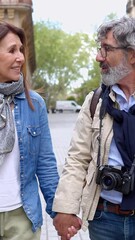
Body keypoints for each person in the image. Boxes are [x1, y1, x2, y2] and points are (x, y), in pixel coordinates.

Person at [52, 16, 135, 240]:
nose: (99, 57)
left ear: (132, 54)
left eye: (107, 49)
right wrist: (66, 208)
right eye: (100, 49)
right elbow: (78, 159)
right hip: (104, 219)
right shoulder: (95, 101)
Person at [0, 21, 59, 239]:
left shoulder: (34, 103)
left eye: (21, 50)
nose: (21, 58)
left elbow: (45, 163)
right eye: (12, 50)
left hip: (22, 216)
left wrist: (59, 212)